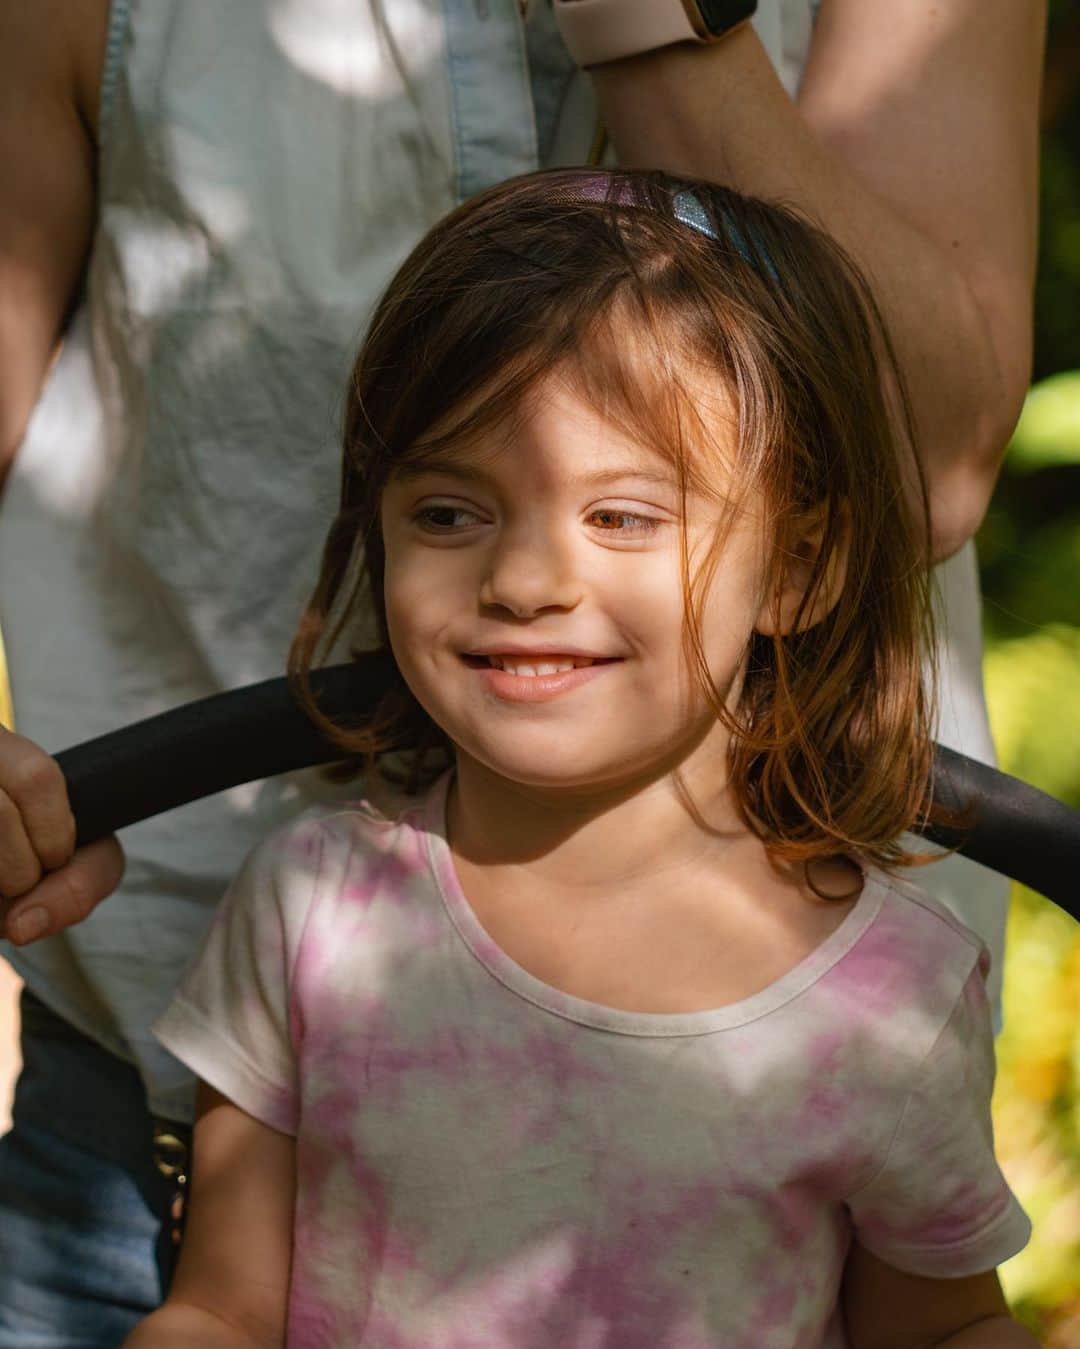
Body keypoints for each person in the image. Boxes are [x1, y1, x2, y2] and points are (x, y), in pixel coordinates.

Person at [0, 1, 1044, 1341]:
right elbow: (222, 1312)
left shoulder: (884, 1003)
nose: (525, 581)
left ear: (802, 566)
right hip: (113, 1077)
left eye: (623, 515)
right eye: (447, 514)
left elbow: (944, 1326)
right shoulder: (312, 914)